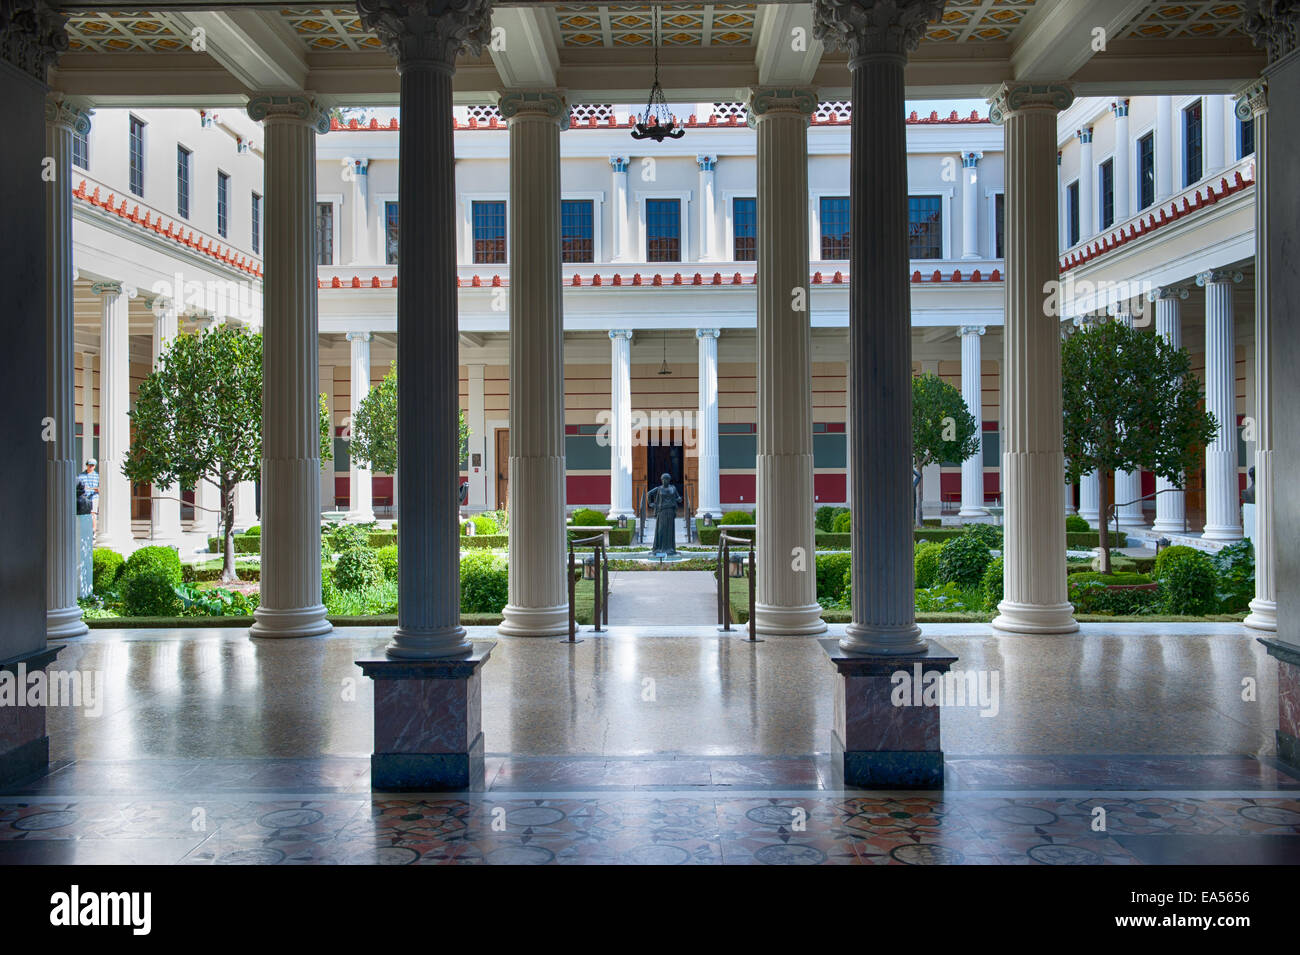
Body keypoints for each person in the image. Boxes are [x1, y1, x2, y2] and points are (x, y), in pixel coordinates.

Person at [647, 471, 681, 556]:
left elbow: (678, 497)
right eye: (663, 479)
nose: (664, 481)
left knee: (670, 530)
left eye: (666, 479)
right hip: (662, 511)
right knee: (661, 529)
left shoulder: (673, 488)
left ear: (669, 480)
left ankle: (670, 549)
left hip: (670, 511)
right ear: (661, 480)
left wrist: (679, 499)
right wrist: (650, 503)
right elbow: (649, 493)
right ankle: (659, 548)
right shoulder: (659, 488)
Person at [77, 459, 99, 532]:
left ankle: (93, 530)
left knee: (93, 513)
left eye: (92, 465)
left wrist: (90, 488)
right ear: (87, 465)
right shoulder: (81, 476)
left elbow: (99, 488)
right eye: (89, 465)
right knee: (84, 513)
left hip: (94, 497)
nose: (90, 467)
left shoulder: (97, 476)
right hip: (84, 496)